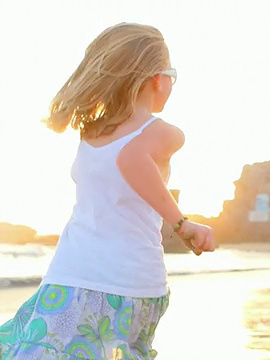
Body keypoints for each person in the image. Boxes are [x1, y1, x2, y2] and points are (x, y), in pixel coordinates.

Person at [0, 23, 216, 359]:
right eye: (173, 74)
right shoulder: (163, 132)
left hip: (82, 278)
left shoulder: (93, 133)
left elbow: (126, 163)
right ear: (158, 78)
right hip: (112, 280)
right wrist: (182, 224)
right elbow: (130, 160)